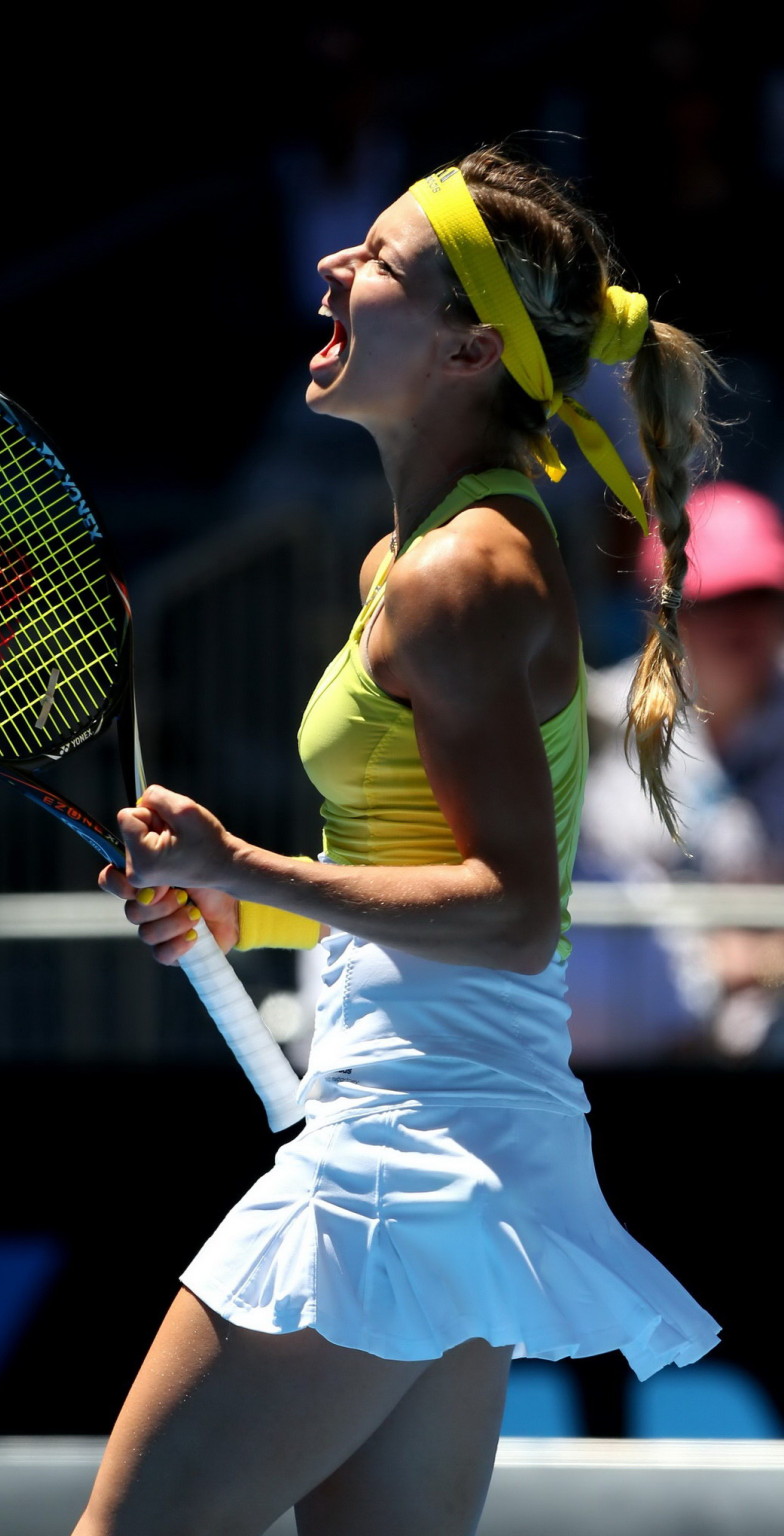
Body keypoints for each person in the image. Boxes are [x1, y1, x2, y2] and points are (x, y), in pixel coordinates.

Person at [70, 145, 722, 1536]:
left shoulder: (457, 576)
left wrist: (241, 868)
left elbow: (510, 914)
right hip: (458, 1145)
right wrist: (260, 913)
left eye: (376, 263)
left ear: (469, 346)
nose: (331, 268)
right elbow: (436, 861)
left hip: (403, 1155)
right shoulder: (416, 560)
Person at [567, 479, 784, 1065]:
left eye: (760, 596)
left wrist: (761, 967)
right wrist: (708, 962)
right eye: (713, 600)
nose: (742, 624)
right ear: (665, 616)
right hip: (631, 1037)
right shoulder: (597, 726)